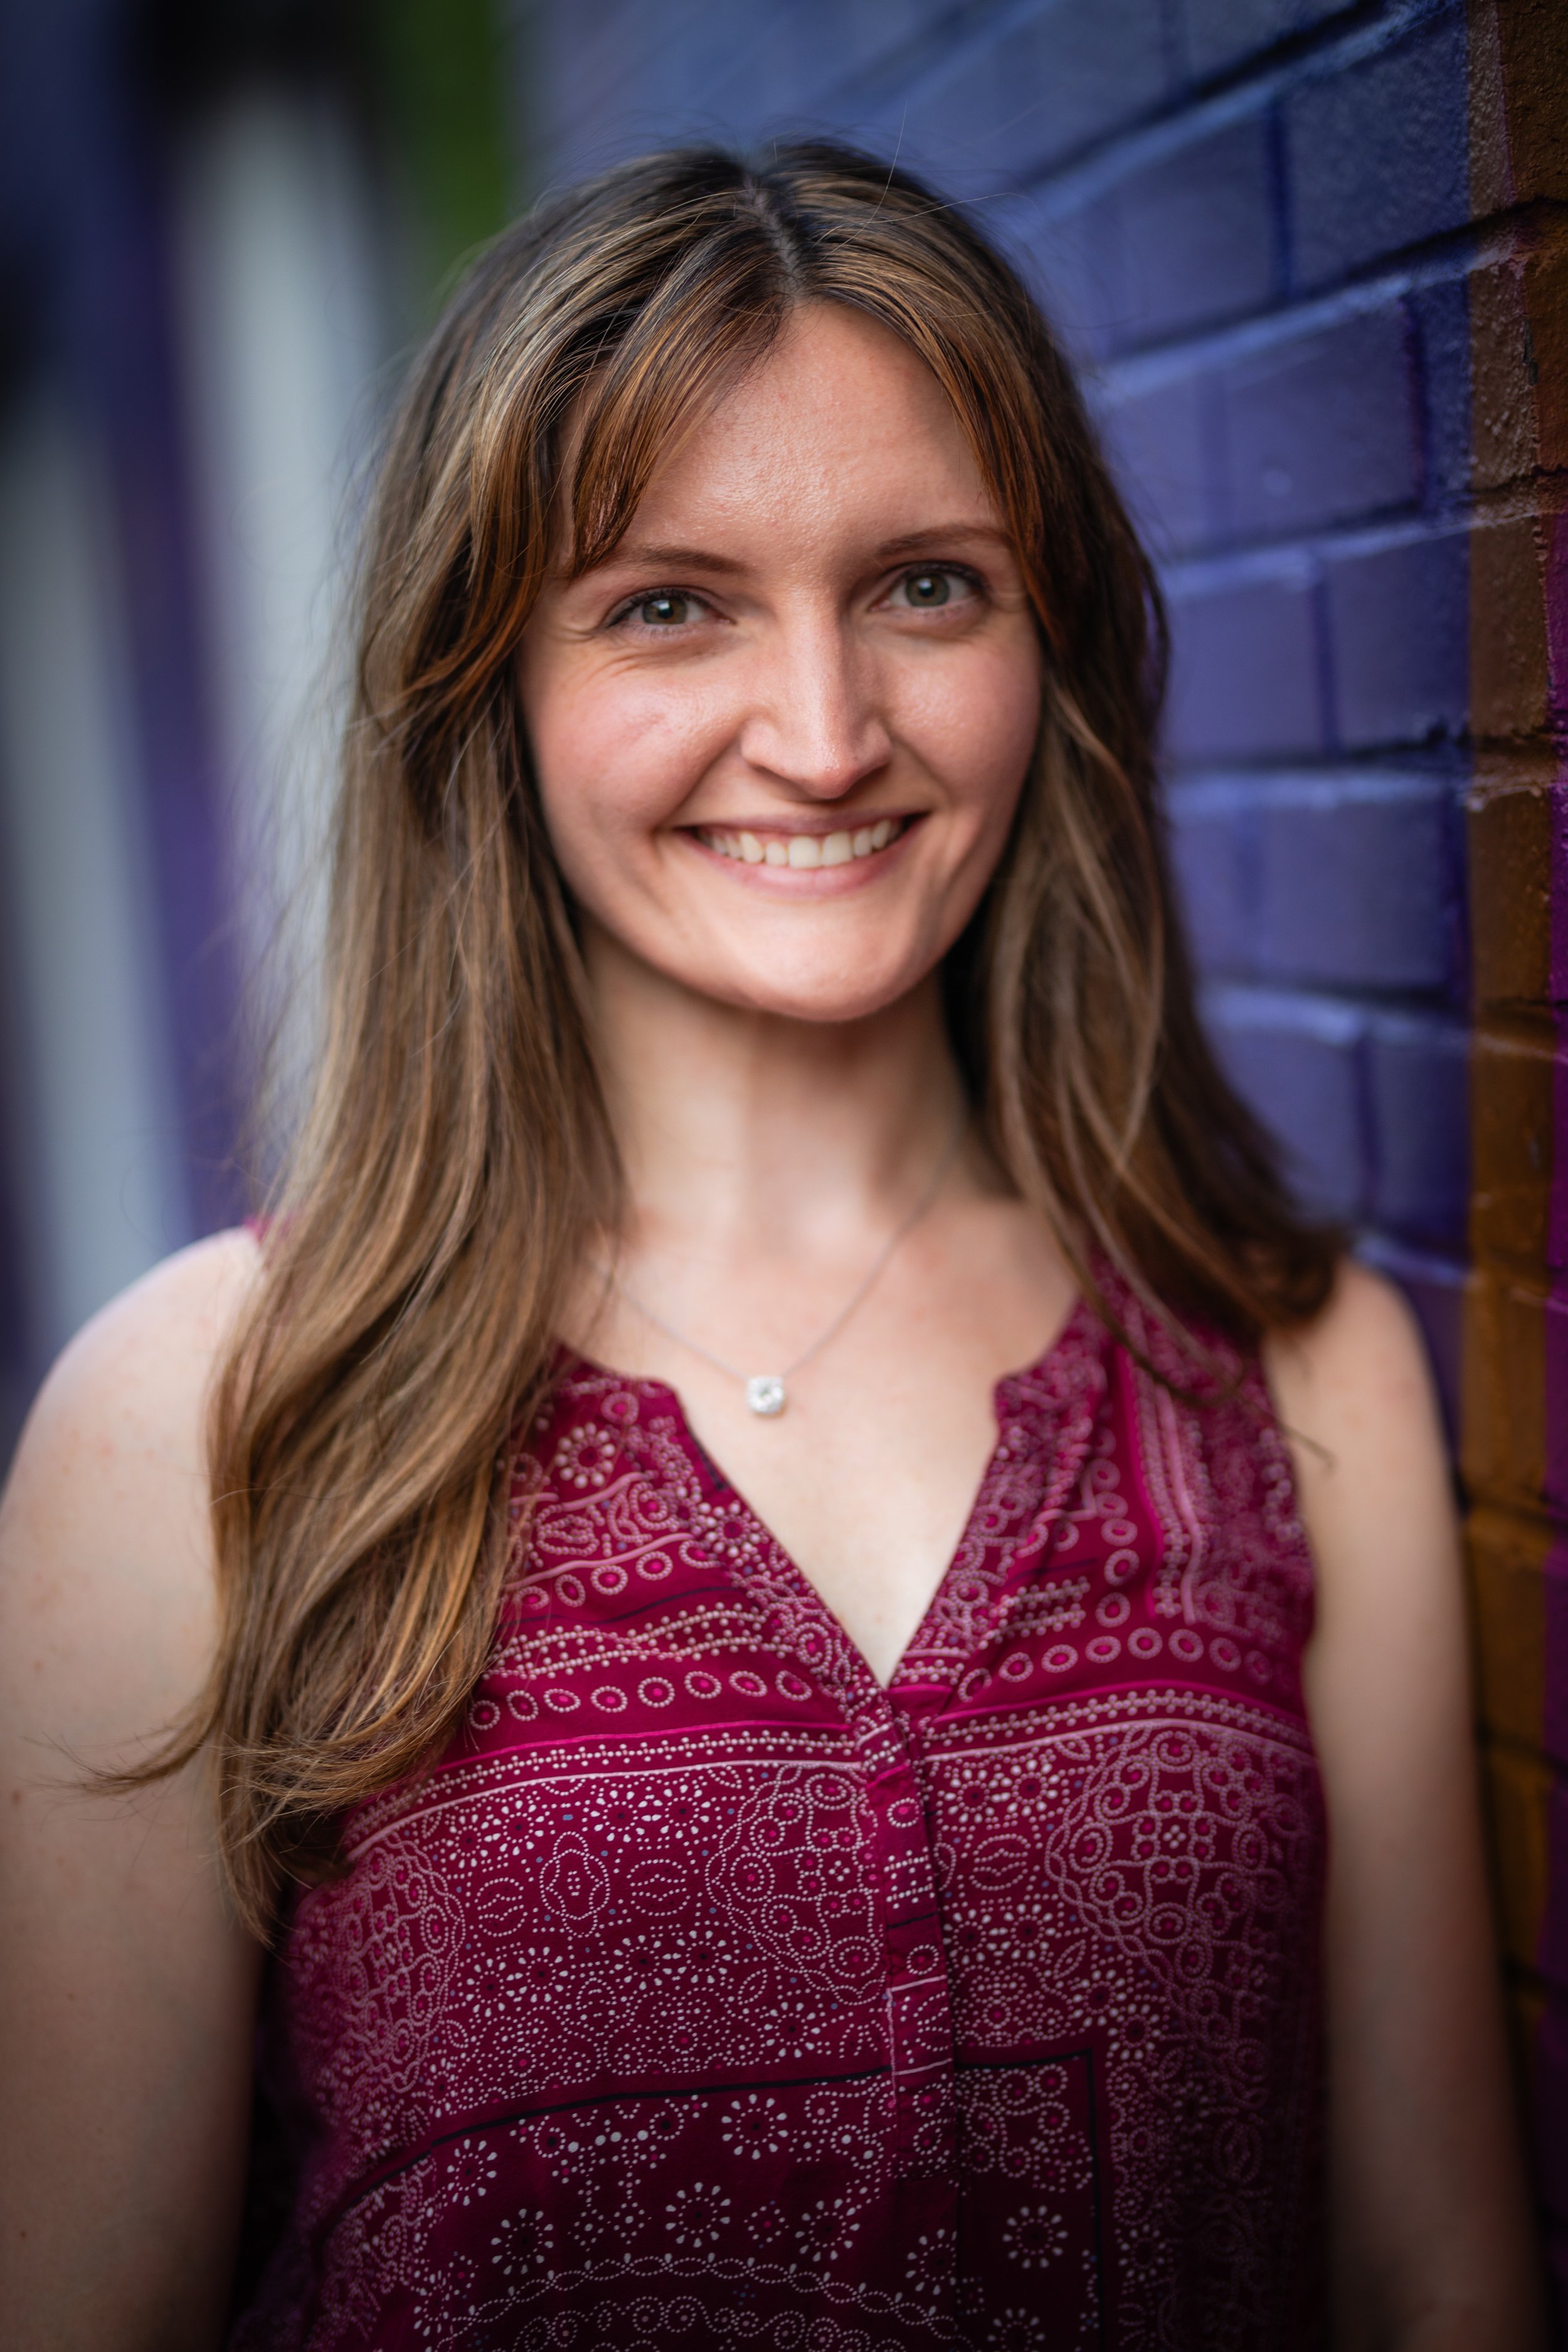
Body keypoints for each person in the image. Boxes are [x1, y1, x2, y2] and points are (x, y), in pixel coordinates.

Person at [0, 144, 1542, 2352]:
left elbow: (1436, 2283)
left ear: (1052, 646)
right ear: (486, 688)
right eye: (667, 603)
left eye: (925, 587)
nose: (822, 739)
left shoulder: (1281, 1376)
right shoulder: (207, 1422)